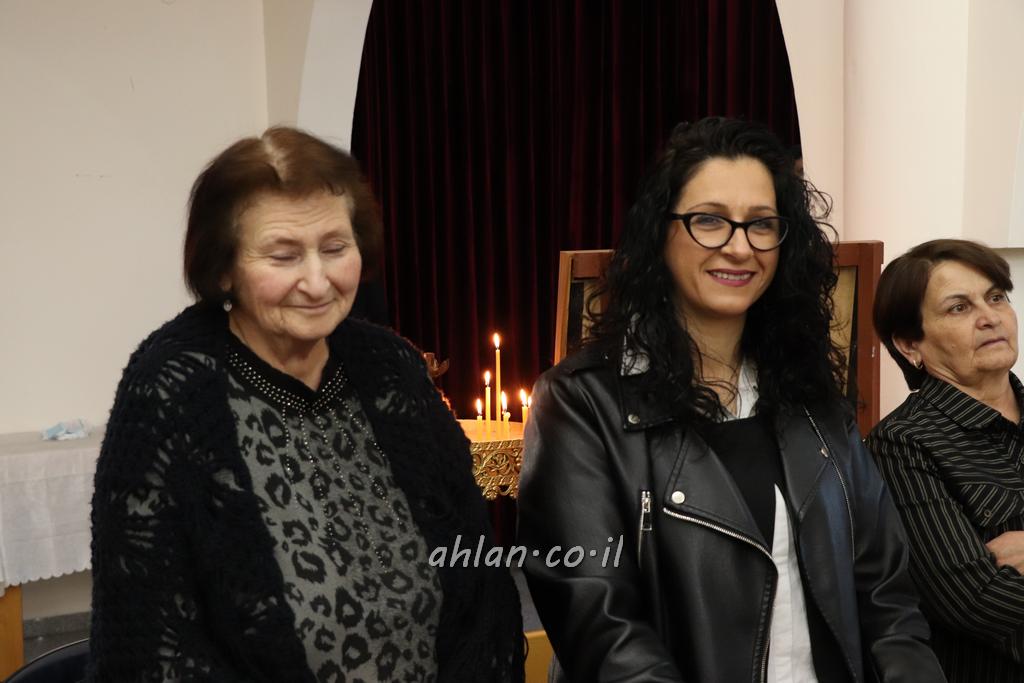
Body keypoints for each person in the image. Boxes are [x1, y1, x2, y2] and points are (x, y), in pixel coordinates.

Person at [88, 127, 523, 682]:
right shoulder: (173, 388)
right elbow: (151, 642)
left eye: (335, 249)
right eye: (283, 255)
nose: (317, 283)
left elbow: (479, 583)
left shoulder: (391, 369)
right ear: (224, 269)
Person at [517, 117, 945, 682]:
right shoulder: (582, 403)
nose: (740, 247)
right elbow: (601, 625)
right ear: (660, 232)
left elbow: (886, 595)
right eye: (709, 220)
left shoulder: (811, 396)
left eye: (762, 224)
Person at [867, 239, 1024, 682]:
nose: (990, 317)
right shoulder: (901, 444)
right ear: (909, 344)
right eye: (959, 308)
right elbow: (979, 603)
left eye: (996, 297)